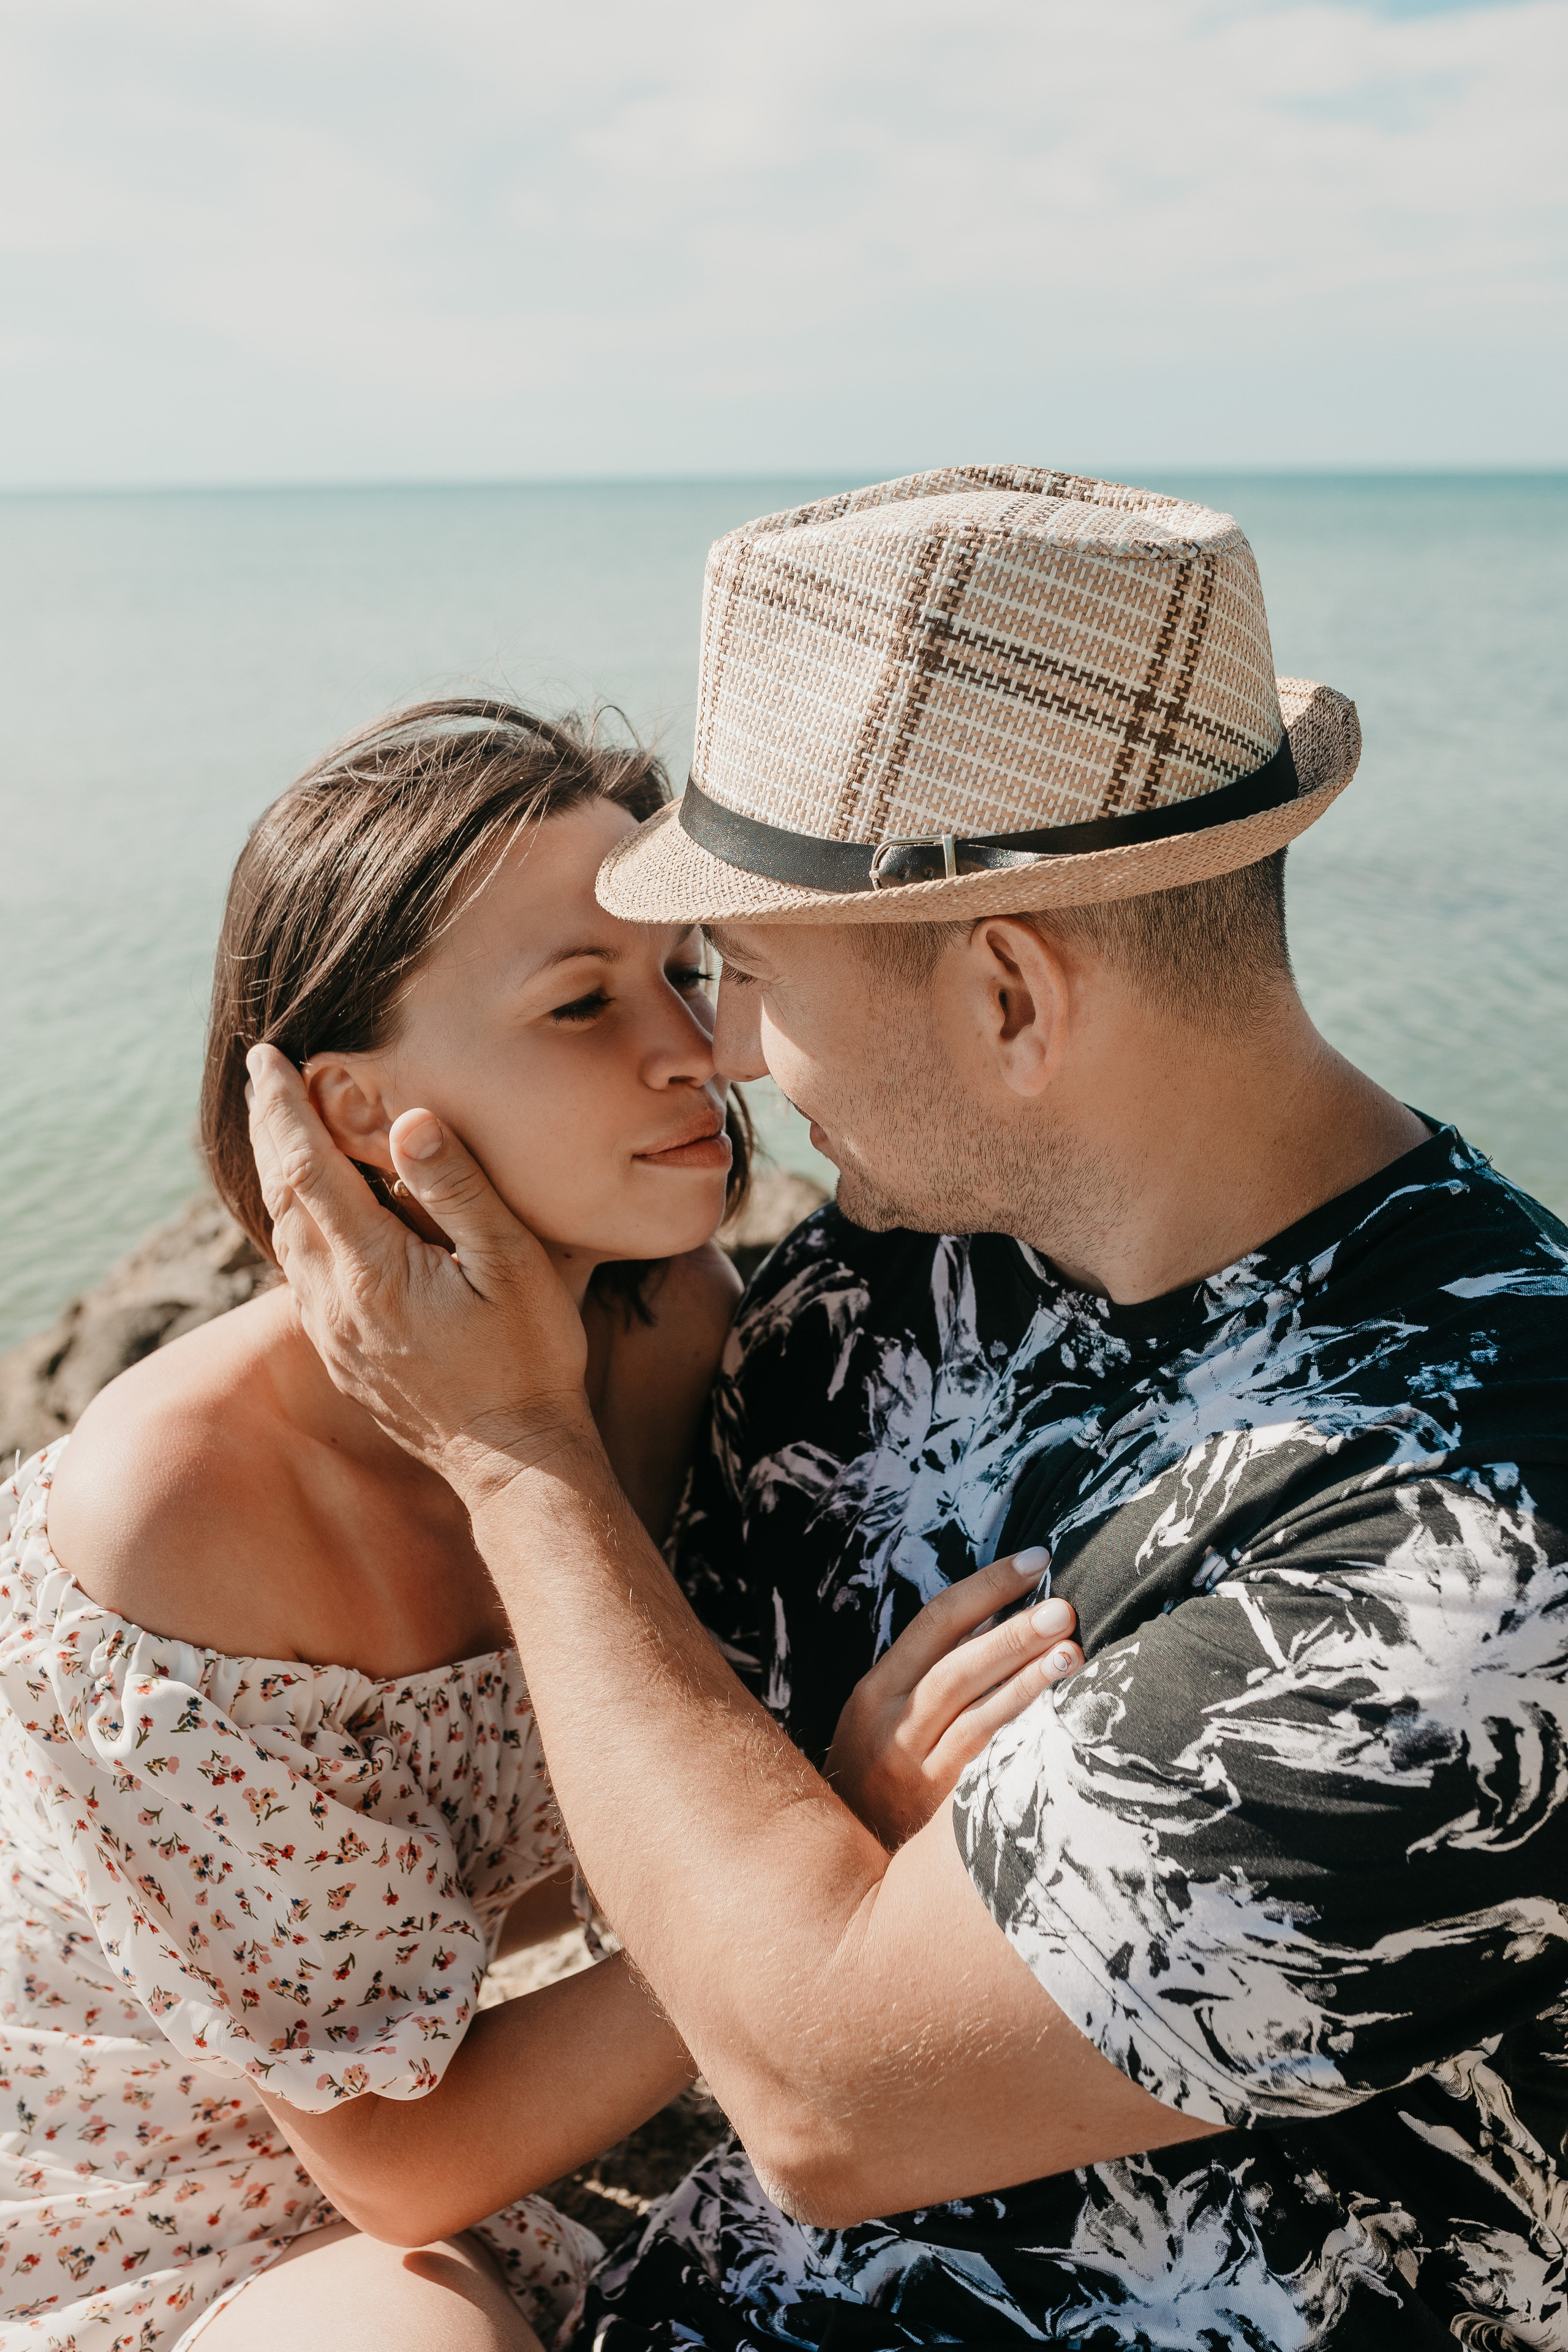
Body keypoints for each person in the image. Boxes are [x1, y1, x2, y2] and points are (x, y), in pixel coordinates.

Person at [247, 467, 1568, 2351]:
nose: (712, 1053)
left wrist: (510, 1454)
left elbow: (829, 2099)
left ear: (1013, 999)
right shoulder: (910, 1266)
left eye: (751, 975)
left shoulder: (1469, 1540)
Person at [0, 696, 1083, 2352]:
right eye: (583, 1002)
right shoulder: (184, 1504)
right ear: (356, 1115)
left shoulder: (678, 1341)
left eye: (684, 973)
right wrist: (840, 1818)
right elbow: (399, 2168)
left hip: (468, 2139)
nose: (694, 1051)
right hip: (142, 2190)